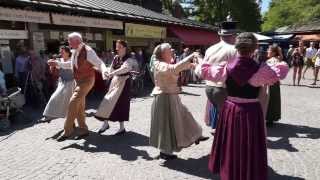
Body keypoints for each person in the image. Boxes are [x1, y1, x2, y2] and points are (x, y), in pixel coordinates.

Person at [202, 32, 289, 180]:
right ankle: (248, 173)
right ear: (254, 48)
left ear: (237, 47)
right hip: (251, 110)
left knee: (231, 143)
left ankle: (230, 171)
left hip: (230, 108)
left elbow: (204, 71)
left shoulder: (226, 67)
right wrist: (276, 62)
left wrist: (201, 60)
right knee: (249, 144)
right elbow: (282, 70)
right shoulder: (261, 69)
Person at [149, 43, 208, 160]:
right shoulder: (158, 63)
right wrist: (190, 56)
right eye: (169, 49)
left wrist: (191, 65)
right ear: (162, 53)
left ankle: (196, 135)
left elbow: (176, 67)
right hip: (164, 97)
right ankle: (165, 152)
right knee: (166, 125)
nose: (172, 50)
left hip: (171, 96)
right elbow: (173, 69)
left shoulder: (165, 63)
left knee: (184, 115)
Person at [48, 32, 108, 141]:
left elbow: (100, 63)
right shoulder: (75, 51)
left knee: (73, 102)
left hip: (87, 81)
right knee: (79, 107)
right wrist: (57, 63)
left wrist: (104, 72)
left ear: (77, 41)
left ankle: (68, 130)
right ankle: (83, 130)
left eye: (69, 41)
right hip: (78, 81)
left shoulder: (88, 51)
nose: (68, 43)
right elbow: (70, 65)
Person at [195, 21, 237, 129]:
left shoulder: (210, 49)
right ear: (233, 35)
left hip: (209, 88)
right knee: (228, 120)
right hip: (224, 88)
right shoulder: (234, 50)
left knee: (220, 116)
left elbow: (203, 68)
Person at [95, 40, 138, 135]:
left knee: (121, 104)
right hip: (115, 82)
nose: (116, 48)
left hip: (124, 82)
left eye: (119, 47)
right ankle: (105, 123)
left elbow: (125, 68)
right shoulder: (116, 58)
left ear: (124, 48)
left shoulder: (129, 59)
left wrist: (111, 73)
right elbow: (111, 69)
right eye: (116, 46)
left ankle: (122, 128)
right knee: (107, 101)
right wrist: (105, 72)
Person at [41, 46, 74, 122]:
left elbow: (67, 65)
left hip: (71, 83)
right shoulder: (60, 60)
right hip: (62, 82)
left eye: (62, 52)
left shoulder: (72, 60)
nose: (61, 53)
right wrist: (51, 65)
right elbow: (53, 71)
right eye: (60, 52)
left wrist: (56, 63)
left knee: (69, 103)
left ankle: (70, 120)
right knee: (54, 97)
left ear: (68, 53)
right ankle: (49, 115)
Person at [266, 44, 284, 126]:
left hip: (271, 83)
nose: (267, 51)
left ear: (273, 52)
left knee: (270, 100)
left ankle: (269, 119)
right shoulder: (276, 59)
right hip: (274, 83)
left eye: (269, 50)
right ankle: (271, 119)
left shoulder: (272, 60)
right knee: (273, 100)